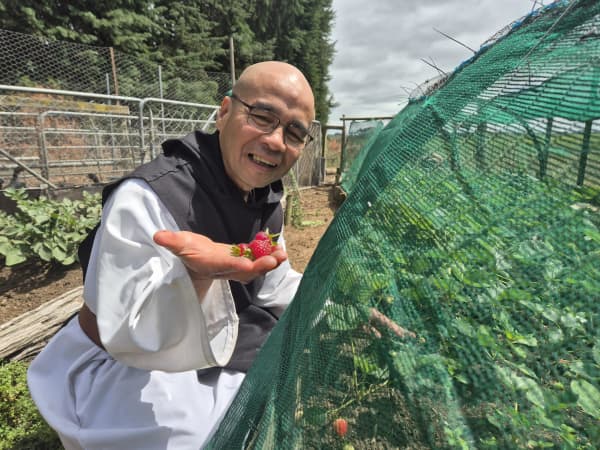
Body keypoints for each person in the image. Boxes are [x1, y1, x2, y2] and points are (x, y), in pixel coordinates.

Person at [27, 60, 316, 450]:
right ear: (225, 111)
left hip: (216, 344)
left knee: (269, 390)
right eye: (263, 117)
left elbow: (273, 285)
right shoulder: (149, 197)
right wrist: (196, 277)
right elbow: (128, 333)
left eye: (295, 133)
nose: (277, 141)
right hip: (124, 363)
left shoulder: (266, 200)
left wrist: (335, 302)